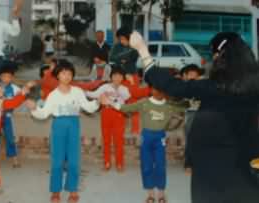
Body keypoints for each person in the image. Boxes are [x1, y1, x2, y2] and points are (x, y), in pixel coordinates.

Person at [129, 31, 259, 203]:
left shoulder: (212, 87)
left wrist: (143, 50)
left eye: (215, 55)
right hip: (246, 167)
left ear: (221, 57)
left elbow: (172, 86)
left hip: (210, 171)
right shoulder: (253, 89)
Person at [25, 59, 100, 203]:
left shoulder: (77, 92)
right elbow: (44, 114)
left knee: (74, 161)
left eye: (69, 73)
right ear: (57, 75)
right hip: (58, 127)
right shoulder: (53, 95)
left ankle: (73, 190)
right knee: (57, 162)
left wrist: (98, 102)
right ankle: (55, 191)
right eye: (63, 73)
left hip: (74, 126)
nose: (67, 76)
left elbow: (89, 107)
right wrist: (34, 108)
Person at [101, 87, 186, 203]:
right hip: (146, 137)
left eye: (162, 89)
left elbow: (186, 106)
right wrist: (111, 102)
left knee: (160, 165)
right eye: (156, 89)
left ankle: (161, 194)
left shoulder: (169, 105)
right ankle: (150, 194)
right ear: (151, 90)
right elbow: (126, 108)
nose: (159, 92)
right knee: (146, 165)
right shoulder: (144, 103)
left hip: (160, 137)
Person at [86, 67, 130, 171]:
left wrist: (117, 88)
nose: (117, 78)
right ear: (111, 77)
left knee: (118, 140)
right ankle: (107, 162)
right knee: (106, 139)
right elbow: (94, 94)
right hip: (106, 112)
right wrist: (83, 91)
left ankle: (120, 164)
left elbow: (127, 97)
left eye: (120, 76)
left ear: (122, 78)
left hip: (119, 114)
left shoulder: (124, 89)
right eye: (115, 76)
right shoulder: (105, 87)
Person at [179, 64, 204, 172]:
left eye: (195, 74)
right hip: (191, 114)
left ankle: (200, 162)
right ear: (186, 75)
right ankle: (188, 163)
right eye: (190, 74)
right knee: (190, 138)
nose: (192, 76)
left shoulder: (203, 85)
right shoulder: (185, 86)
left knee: (202, 139)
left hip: (203, 114)